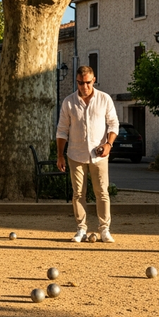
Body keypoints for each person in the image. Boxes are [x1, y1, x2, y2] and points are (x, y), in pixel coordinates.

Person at [56, 65, 119, 243]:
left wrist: (108, 144)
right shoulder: (69, 102)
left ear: (94, 80)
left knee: (102, 192)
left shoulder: (104, 99)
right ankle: (81, 228)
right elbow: (62, 130)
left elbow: (114, 124)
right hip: (75, 153)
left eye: (87, 83)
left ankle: (104, 229)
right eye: (80, 83)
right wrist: (60, 155)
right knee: (78, 194)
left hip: (99, 155)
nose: (84, 87)